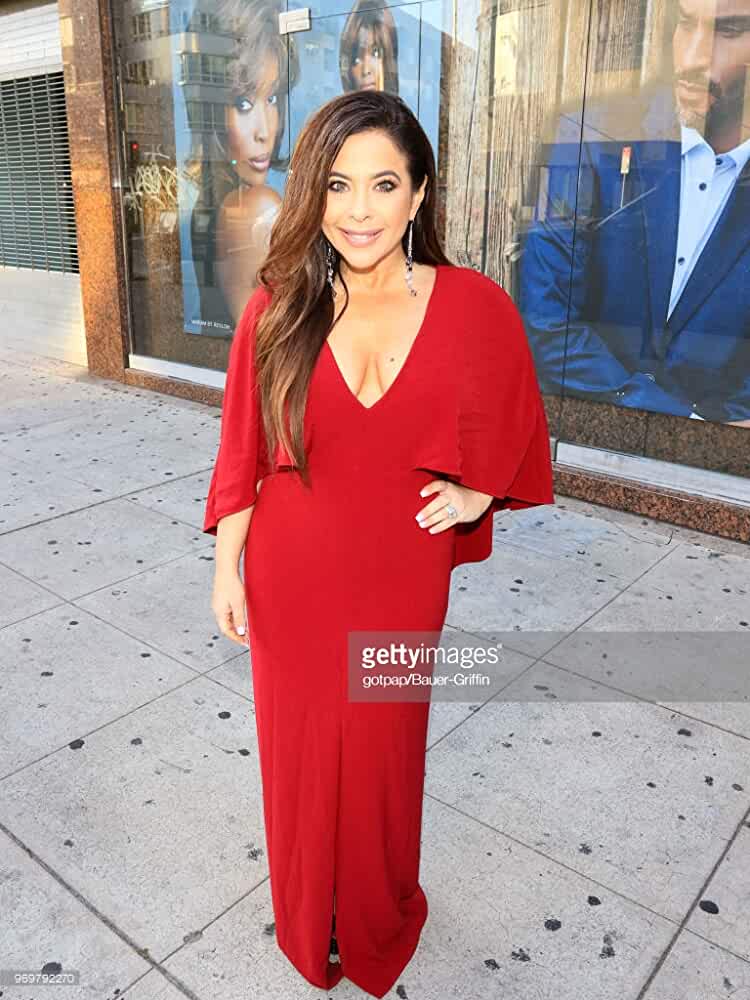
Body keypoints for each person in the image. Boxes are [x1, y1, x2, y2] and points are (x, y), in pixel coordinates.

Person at [203, 90, 554, 997]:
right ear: (314, 195)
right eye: (337, 185)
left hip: (401, 575)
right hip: (290, 574)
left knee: (384, 759)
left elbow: (519, 421)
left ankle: (373, 914)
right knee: (300, 755)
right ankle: (308, 918)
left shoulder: (472, 306)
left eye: (384, 184)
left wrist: (477, 491)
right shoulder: (277, 309)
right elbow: (243, 449)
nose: (359, 209)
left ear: (419, 193)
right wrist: (226, 567)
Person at [519, 0, 750, 425]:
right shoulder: (587, 134)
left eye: (729, 31)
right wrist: (681, 419)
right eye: (686, 23)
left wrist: (725, 438)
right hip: (581, 437)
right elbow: (546, 323)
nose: (693, 58)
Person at [188, 0, 299, 333]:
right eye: (244, 103)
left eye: (272, 99)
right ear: (212, 112)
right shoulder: (256, 207)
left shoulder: (214, 198)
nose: (265, 130)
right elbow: (272, 340)